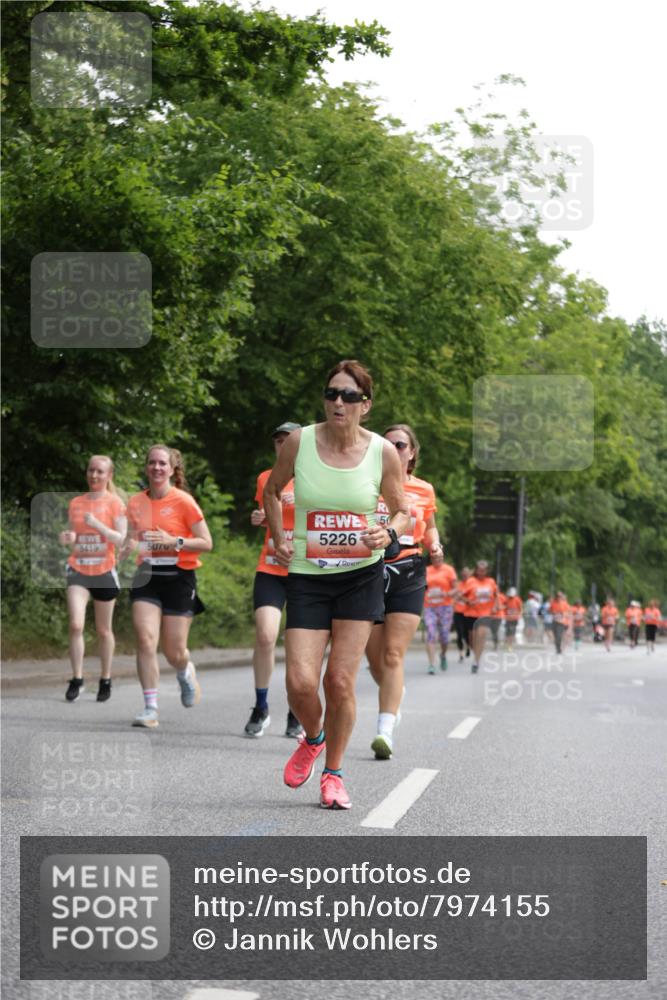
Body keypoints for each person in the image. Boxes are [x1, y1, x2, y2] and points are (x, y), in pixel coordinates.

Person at [263, 360, 409, 810]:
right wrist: (280, 536)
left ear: (366, 404)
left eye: (348, 396)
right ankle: (313, 737)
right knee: (300, 682)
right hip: (308, 574)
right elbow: (272, 490)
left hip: (360, 576)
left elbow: (402, 510)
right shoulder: (300, 442)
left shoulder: (383, 451)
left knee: (340, 679)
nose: (337, 403)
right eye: (331, 394)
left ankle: (334, 774)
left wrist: (387, 534)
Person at [366, 423, 443, 759]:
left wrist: (435, 545)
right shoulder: (366, 482)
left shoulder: (424, 490)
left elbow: (431, 527)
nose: (394, 449)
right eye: (388, 444)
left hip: (408, 571)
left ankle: (385, 730)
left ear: (412, 453)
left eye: (400, 444)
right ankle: (395, 694)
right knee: (373, 657)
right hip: (368, 570)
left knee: (393, 654)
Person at [125, 445, 213, 728]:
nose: (156, 468)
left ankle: (185, 670)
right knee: (145, 639)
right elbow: (130, 536)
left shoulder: (184, 501)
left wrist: (173, 541)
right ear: (146, 467)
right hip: (147, 576)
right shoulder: (136, 501)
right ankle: (150, 708)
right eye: (152, 463)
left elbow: (206, 543)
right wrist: (127, 545)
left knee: (174, 651)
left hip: (179, 577)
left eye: (162, 464)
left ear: (172, 469)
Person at [247, 421, 303, 739]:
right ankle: (261, 706)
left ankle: (296, 712)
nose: (282, 446)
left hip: (303, 572)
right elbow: (266, 514)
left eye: (288, 440)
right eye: (278, 441)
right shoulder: (265, 479)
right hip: (270, 568)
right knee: (266, 636)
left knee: (297, 647)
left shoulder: (315, 478)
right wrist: (261, 517)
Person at [59, 455, 126, 702]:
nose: (94, 475)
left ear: (109, 476)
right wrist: (68, 538)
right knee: (76, 624)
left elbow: (121, 539)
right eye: (91, 470)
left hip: (105, 570)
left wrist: (98, 525)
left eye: (100, 472)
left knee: (103, 629)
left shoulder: (116, 503)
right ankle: (77, 678)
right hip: (78, 568)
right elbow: (75, 535)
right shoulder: (76, 502)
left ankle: (105, 678)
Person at [459, 560, 499, 673]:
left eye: (484, 570)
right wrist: (468, 602)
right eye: (480, 570)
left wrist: (495, 606)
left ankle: (476, 661)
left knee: (481, 636)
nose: (482, 572)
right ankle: (474, 653)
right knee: (472, 641)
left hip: (485, 614)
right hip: (471, 614)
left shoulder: (491, 581)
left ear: (486, 571)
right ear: (476, 570)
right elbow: (461, 596)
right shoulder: (470, 581)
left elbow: (496, 596)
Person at [423, 555, 458, 674]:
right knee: (431, 632)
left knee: (444, 636)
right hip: (430, 607)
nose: (437, 560)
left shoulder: (449, 570)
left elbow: (456, 589)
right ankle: (431, 664)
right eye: (434, 558)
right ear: (431, 559)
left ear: (443, 558)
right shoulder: (426, 570)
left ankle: (443, 655)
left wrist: (446, 594)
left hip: (445, 607)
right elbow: (422, 587)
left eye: (439, 558)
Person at [452, 567, 472, 661]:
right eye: (463, 574)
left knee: (467, 633)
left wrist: (462, 598)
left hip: (468, 613)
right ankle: (461, 653)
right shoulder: (458, 585)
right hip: (457, 612)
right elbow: (454, 597)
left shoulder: (472, 585)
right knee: (459, 633)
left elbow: (471, 600)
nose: (464, 575)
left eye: (466, 574)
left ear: (469, 575)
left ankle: (468, 646)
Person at [549, 591, 571, 656]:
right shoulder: (553, 603)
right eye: (558, 596)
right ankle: (558, 648)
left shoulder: (564, 604)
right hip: (554, 621)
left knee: (559, 636)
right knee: (556, 636)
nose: (559, 597)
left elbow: (568, 613)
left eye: (560, 596)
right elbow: (550, 610)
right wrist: (554, 613)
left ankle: (560, 649)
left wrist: (564, 616)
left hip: (561, 622)